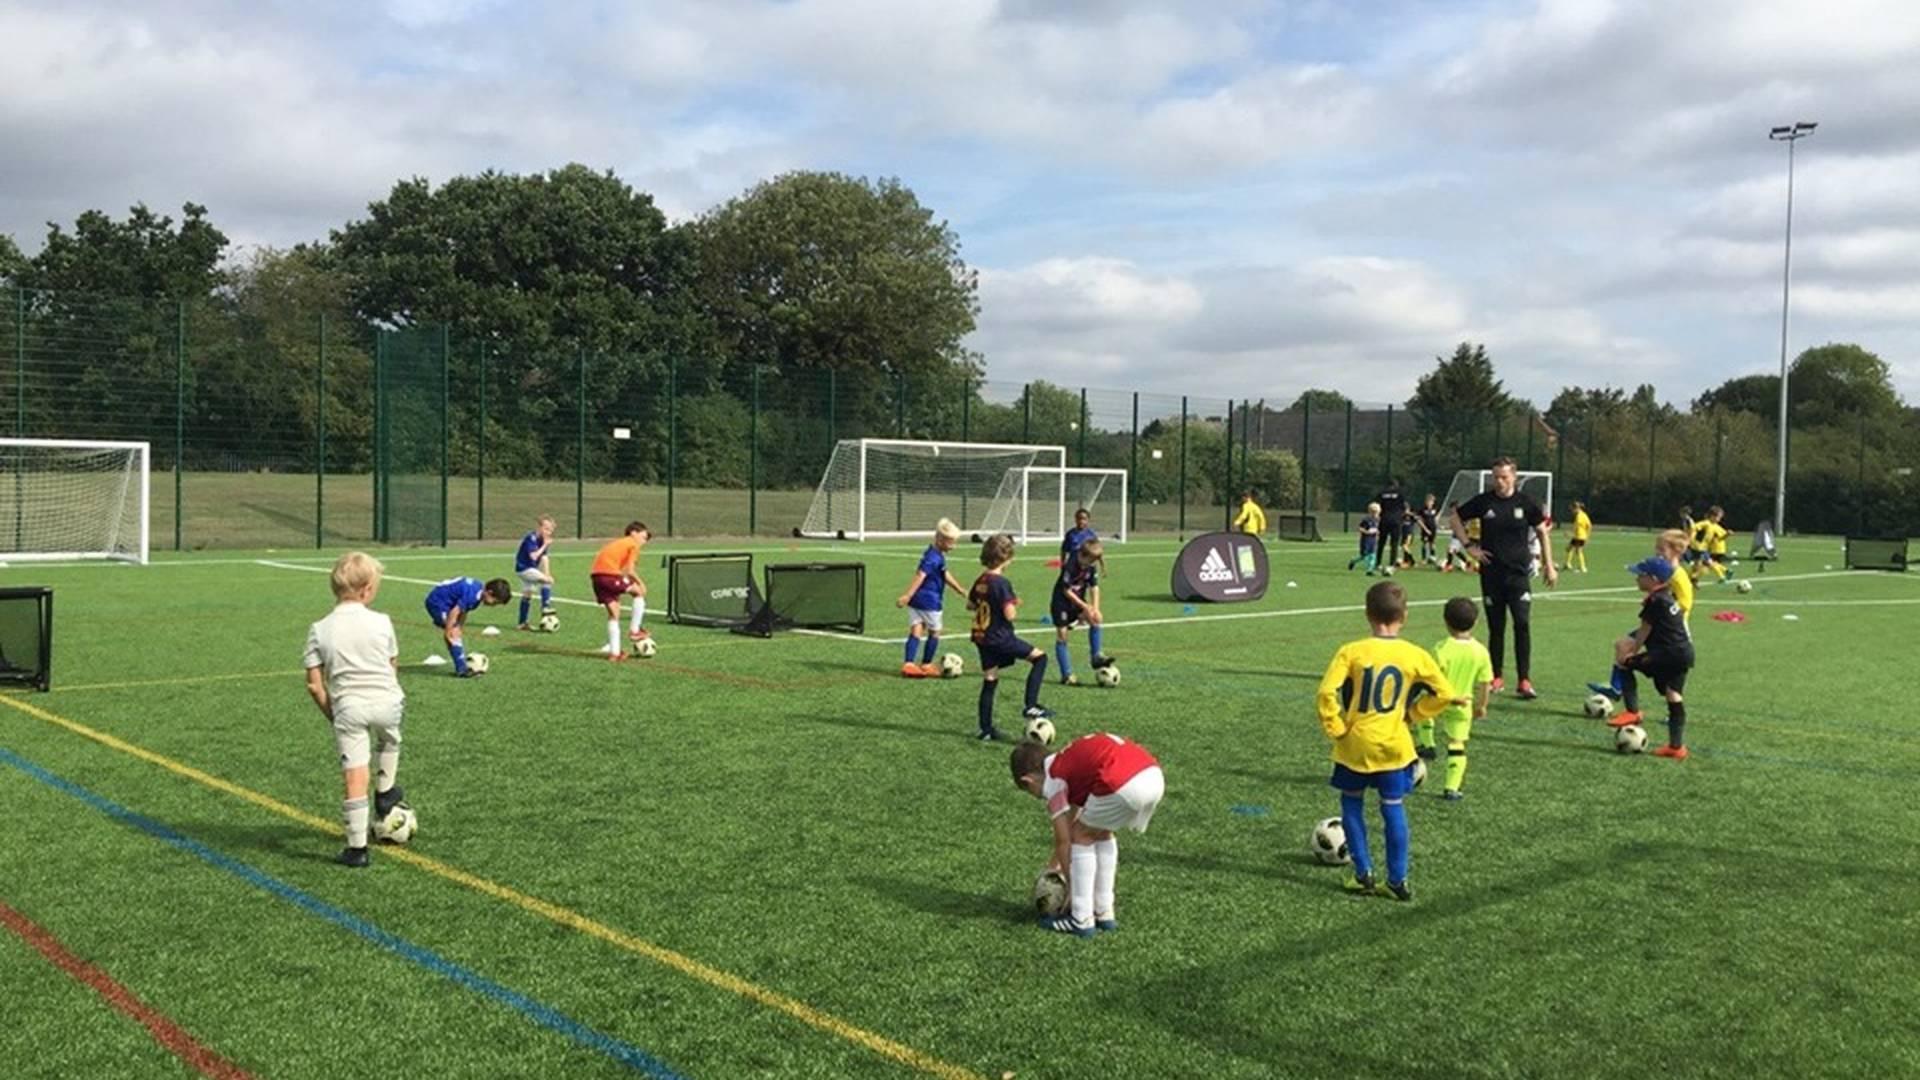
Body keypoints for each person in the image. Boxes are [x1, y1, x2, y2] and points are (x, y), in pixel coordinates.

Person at [1316, 580, 1458, 899]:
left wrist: (1335, 727)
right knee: (1392, 807)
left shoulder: (1351, 651)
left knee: (1351, 804)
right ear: (1403, 616)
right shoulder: (1414, 654)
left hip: (1355, 742)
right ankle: (1397, 880)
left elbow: (1326, 691)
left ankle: (1363, 873)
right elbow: (1445, 694)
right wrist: (1414, 714)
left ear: (1367, 614)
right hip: (1394, 744)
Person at [304, 552, 407, 867]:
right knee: (390, 739)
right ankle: (386, 792)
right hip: (388, 701)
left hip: (349, 707)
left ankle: (357, 849)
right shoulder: (382, 621)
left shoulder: (319, 629)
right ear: (367, 590)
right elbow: (392, 667)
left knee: (354, 776)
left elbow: (315, 684)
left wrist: (332, 714)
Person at [1010, 732, 1164, 937]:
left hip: (1123, 782)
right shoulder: (1067, 762)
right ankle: (1103, 911)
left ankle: (1081, 917)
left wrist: (1072, 886)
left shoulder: (1053, 779)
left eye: (1031, 792)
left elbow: (1064, 840)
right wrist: (1055, 867)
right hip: (1152, 775)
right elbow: (1072, 817)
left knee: (1081, 836)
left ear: (1028, 780)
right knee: (1100, 832)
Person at [1449, 458, 1557, 699]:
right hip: (1491, 574)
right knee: (1496, 627)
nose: (1499, 481)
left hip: (1518, 575)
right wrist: (1468, 546)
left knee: (1522, 623)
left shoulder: (1526, 503)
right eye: (1496, 477)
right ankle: (1496, 676)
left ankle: (1524, 680)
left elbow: (1542, 531)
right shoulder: (1484, 501)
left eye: (1504, 477)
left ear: (1514, 478)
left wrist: (1549, 565)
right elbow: (1454, 518)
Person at [1589, 529, 1693, 711]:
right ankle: (1616, 688)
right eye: (1657, 548)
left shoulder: (1677, 574)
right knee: (1622, 645)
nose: (1657, 552)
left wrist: (1663, 606)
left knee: (1669, 677)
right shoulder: (1663, 571)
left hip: (1669, 629)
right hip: (1658, 623)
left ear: (1677, 551)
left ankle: (1672, 705)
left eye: (1662, 549)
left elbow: (1685, 602)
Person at [1606, 556, 1695, 760]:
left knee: (1623, 664)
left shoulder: (1655, 601)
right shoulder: (1667, 596)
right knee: (1673, 695)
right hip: (1684, 653)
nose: (1636, 578)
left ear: (1653, 579)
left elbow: (1645, 630)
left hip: (1665, 654)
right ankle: (1676, 747)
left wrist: (1632, 652)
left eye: (1640, 575)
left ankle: (1632, 712)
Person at [967, 534, 1052, 741]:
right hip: (999, 636)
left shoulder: (981, 580)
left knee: (990, 678)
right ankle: (1031, 705)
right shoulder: (1001, 582)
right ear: (1005, 558)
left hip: (981, 636)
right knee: (1040, 658)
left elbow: (970, 605)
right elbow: (1009, 614)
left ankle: (985, 729)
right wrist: (1012, 604)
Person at [1419, 597, 1493, 801]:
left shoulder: (1441, 649)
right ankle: (1451, 788)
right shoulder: (1480, 652)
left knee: (1423, 713)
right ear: (1476, 622)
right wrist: (1482, 705)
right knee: (1457, 744)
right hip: (1463, 704)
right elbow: (1485, 682)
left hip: (1439, 699)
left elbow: (1430, 678)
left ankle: (1428, 744)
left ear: (1445, 621)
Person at [895, 518, 967, 678]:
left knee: (916, 629)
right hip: (930, 601)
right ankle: (926, 664)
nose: (953, 546)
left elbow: (944, 574)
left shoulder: (932, 553)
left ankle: (909, 663)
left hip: (917, 601)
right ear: (940, 540)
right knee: (935, 632)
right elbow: (921, 575)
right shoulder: (933, 558)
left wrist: (959, 589)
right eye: (950, 543)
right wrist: (907, 594)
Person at [1051, 538, 1114, 685]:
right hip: (1061, 603)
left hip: (1077, 602)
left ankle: (1096, 657)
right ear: (1082, 555)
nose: (1092, 565)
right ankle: (1066, 675)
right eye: (1090, 561)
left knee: (1096, 619)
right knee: (1062, 636)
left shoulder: (1090, 566)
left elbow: (1094, 587)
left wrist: (1095, 608)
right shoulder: (1071, 564)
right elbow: (1066, 591)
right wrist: (1085, 607)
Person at [423, 574, 512, 676]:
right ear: (489, 592)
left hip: (447, 603)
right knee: (453, 634)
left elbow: (464, 612)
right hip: (437, 602)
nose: (493, 605)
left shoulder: (477, 591)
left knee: (455, 631)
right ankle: (461, 669)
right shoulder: (472, 596)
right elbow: (455, 612)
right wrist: (448, 631)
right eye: (495, 602)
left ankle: (461, 667)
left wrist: (460, 627)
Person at [590, 521, 652, 662]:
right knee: (638, 592)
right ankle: (635, 631)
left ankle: (615, 654)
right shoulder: (632, 544)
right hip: (609, 575)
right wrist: (641, 584)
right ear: (633, 533)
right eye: (643, 537)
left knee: (614, 613)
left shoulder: (620, 543)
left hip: (596, 577)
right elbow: (630, 571)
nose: (643, 542)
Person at [515, 515, 557, 630]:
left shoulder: (543, 540)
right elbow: (534, 556)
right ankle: (546, 607)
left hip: (530, 569)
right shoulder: (531, 538)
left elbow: (544, 558)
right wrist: (545, 545)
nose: (548, 532)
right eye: (546, 529)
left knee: (527, 594)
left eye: (551, 530)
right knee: (546, 581)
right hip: (524, 569)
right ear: (539, 527)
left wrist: (547, 573)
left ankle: (522, 623)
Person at [1376, 479, 1407, 570]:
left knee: (1381, 542)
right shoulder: (1400, 493)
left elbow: (1377, 506)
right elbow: (1404, 507)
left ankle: (1378, 563)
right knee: (1394, 543)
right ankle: (1392, 563)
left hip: (1384, 519)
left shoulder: (1382, 493)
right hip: (1396, 520)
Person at [1348, 502, 1381, 574]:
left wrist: (1378, 533)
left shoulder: (1378, 520)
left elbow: (1378, 529)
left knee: (1372, 555)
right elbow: (1360, 528)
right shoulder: (1366, 520)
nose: (1375, 514)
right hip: (1365, 540)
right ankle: (1353, 561)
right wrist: (1366, 532)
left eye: (1376, 512)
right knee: (1364, 556)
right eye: (1373, 512)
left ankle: (1370, 570)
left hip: (1373, 540)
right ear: (1370, 511)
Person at [1564, 501, 1592, 573]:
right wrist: (1587, 535)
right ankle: (1567, 564)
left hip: (1579, 536)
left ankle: (1583, 567)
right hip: (1579, 536)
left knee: (1578, 551)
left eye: (1573, 509)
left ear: (1577, 508)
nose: (1572, 511)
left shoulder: (1579, 516)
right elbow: (1589, 525)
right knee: (1569, 548)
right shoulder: (1584, 515)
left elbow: (1576, 526)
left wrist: (1570, 533)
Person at [1417, 494, 1441, 566]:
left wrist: (1437, 523)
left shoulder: (1435, 509)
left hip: (1433, 529)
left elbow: (1437, 517)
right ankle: (1423, 559)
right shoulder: (1422, 509)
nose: (1429, 503)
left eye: (1431, 501)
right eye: (1428, 501)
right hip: (1425, 529)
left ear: (1433, 502)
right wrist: (1425, 529)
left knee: (1432, 544)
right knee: (1424, 543)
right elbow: (1419, 520)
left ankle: (1432, 558)